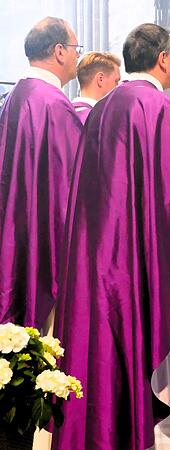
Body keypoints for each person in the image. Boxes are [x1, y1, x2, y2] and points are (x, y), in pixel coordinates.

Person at [52, 23, 170, 450]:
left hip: (98, 260)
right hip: (142, 263)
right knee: (148, 347)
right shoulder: (164, 110)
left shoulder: (102, 110)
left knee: (104, 354)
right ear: (164, 59)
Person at [0, 16, 82, 329]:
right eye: (75, 48)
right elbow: (70, 188)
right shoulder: (52, 104)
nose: (77, 56)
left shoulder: (17, 95)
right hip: (44, 240)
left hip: (15, 231)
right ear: (59, 51)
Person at [71, 51, 121, 123]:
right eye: (116, 81)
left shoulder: (65, 113)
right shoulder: (97, 120)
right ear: (100, 79)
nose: (118, 86)